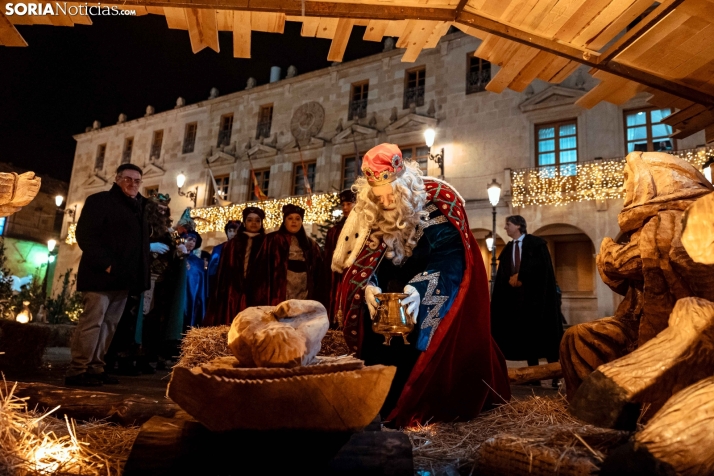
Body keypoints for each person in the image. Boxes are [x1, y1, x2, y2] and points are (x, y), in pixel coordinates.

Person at [332, 143, 510, 427]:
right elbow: (367, 261)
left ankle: (413, 404)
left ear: (404, 185)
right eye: (379, 197)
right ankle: (377, 406)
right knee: (375, 337)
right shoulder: (373, 213)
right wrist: (370, 286)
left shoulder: (438, 201)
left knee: (417, 338)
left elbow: (452, 258)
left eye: (391, 194)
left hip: (429, 290)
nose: (387, 201)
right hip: (388, 298)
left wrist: (419, 290)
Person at [66, 163, 150, 387]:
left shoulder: (140, 206)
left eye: (137, 180)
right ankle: (77, 369)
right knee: (92, 323)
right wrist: (107, 265)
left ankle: (96, 367)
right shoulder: (100, 201)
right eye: (127, 179)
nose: (132, 184)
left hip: (124, 278)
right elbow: (85, 235)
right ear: (117, 179)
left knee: (109, 325)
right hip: (100, 276)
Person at [490, 215, 563, 375]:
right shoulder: (508, 249)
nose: (505, 228)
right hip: (518, 304)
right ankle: (533, 375)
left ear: (517, 226)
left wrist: (522, 276)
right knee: (528, 340)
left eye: (507, 224)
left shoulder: (536, 245)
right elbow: (503, 276)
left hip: (537, 301)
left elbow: (543, 271)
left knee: (545, 338)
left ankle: (555, 374)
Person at [203, 207, 266, 326]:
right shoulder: (231, 245)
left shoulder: (267, 244)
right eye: (250, 220)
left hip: (258, 291)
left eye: (257, 220)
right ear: (244, 222)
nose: (253, 223)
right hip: (233, 291)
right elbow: (223, 272)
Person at [253, 204, 323, 306]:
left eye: (297, 219)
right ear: (284, 221)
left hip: (303, 292)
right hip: (279, 292)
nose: (294, 221)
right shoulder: (271, 240)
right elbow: (261, 269)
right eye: (290, 218)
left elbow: (318, 272)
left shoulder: (311, 245)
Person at [321, 189, 355, 327]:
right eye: (343, 205)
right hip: (338, 278)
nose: (345, 208)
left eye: (349, 203)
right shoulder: (334, 231)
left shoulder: (366, 227)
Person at [207, 220, 240, 297]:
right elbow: (212, 270)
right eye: (230, 231)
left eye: (235, 231)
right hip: (222, 286)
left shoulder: (244, 248)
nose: (232, 234)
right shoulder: (219, 249)